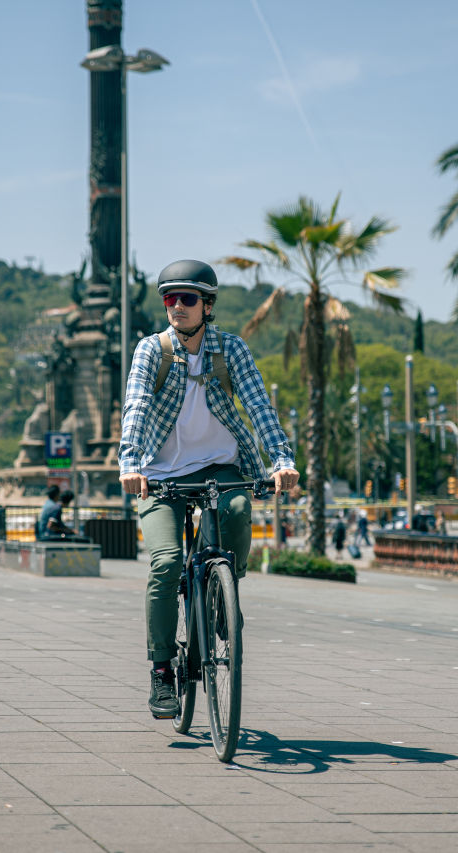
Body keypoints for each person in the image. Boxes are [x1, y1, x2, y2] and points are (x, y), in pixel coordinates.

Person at [119, 259, 298, 720]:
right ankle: (161, 672)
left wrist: (282, 460)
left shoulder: (230, 350)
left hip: (221, 467)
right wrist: (130, 464)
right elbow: (137, 405)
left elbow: (258, 404)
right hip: (160, 474)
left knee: (238, 511)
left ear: (208, 305)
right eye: (169, 298)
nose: (177, 306)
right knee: (166, 563)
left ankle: (224, 594)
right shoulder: (151, 350)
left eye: (188, 298)